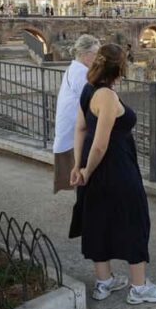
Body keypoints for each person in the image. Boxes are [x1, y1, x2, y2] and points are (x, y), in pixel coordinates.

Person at [69, 44, 156, 304]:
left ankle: (105, 282)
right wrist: (87, 171)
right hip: (116, 168)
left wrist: (78, 167)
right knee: (135, 220)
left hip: (90, 166)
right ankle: (139, 287)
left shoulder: (87, 90)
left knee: (97, 221)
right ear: (119, 69)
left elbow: (80, 129)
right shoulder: (108, 96)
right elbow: (101, 144)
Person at [52, 35, 100, 193]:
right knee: (82, 178)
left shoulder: (75, 69)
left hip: (70, 132)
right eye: (96, 53)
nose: (98, 58)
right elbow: (94, 102)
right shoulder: (81, 74)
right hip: (74, 135)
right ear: (86, 55)